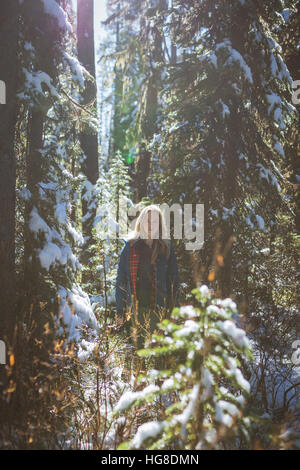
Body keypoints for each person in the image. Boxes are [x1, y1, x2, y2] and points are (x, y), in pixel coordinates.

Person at [115, 204, 180, 351]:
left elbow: (174, 282)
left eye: (155, 221)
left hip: (158, 312)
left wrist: (175, 311)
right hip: (135, 312)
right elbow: (121, 281)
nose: (151, 225)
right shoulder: (129, 247)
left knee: (158, 357)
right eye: (148, 221)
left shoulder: (166, 248)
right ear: (141, 222)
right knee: (136, 356)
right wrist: (120, 310)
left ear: (160, 225)